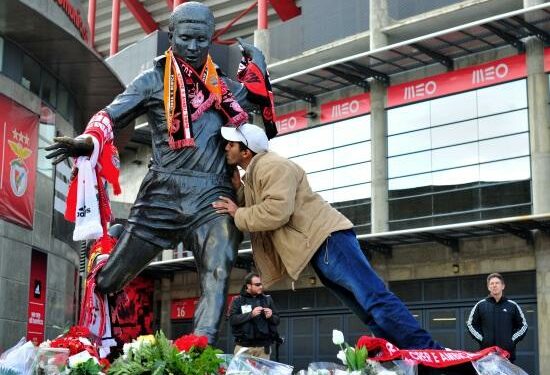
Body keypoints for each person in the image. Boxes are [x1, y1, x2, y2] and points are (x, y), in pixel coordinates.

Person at [45, 2, 276, 344]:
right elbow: (112, 114)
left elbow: (257, 95)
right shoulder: (152, 81)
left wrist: (258, 62)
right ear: (172, 36)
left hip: (212, 198)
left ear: (210, 38)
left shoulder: (225, 89)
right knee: (110, 281)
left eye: (202, 39)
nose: (194, 47)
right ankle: (110, 258)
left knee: (219, 266)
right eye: (186, 38)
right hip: (162, 195)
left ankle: (200, 346)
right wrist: (86, 141)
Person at [213, 124, 442, 350]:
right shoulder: (256, 173)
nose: (225, 148)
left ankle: (430, 353)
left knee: (374, 298)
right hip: (321, 246)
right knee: (368, 311)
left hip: (329, 240)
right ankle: (409, 356)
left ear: (246, 151)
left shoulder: (272, 165)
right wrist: (239, 191)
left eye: (231, 144)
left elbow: (276, 211)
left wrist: (237, 212)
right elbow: (261, 204)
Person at [466, 273, 528, 362]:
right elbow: (470, 324)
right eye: (491, 283)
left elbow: (523, 325)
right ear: (488, 287)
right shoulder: (480, 305)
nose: (494, 285)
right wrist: (482, 339)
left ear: (503, 286)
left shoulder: (512, 305)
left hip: (507, 356)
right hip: (487, 356)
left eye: (497, 283)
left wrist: (511, 340)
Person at [229, 272, 280, 359]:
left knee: (262, 373)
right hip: (243, 348)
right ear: (248, 286)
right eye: (257, 284)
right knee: (242, 373)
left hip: (263, 348)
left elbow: (277, 320)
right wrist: (251, 314)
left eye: (261, 284)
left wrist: (271, 316)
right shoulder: (238, 300)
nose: (261, 287)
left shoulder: (267, 299)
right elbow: (233, 320)